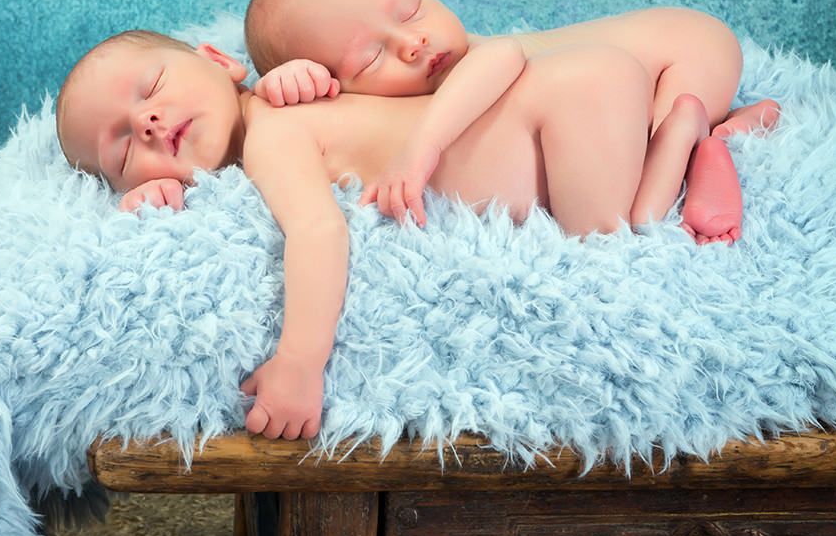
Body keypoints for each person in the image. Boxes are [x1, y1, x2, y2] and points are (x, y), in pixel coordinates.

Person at [56, 28, 734, 440]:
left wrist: (299, 362)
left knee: (621, 239)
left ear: (221, 60)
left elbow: (319, 232)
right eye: (123, 150)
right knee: (615, 217)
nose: (146, 122)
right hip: (572, 88)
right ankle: (684, 132)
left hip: (562, 109)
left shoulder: (274, 132)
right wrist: (162, 188)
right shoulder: (283, 102)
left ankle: (684, 135)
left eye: (151, 87)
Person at [244, 0, 780, 243]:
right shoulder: (356, 106)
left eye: (410, 12)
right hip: (629, 84)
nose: (414, 43)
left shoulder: (477, 58)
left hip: (687, 53)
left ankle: (695, 131)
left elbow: (501, 59)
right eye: (370, 59)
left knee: (633, 209)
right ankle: (708, 126)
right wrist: (289, 84)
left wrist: (421, 146)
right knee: (624, 137)